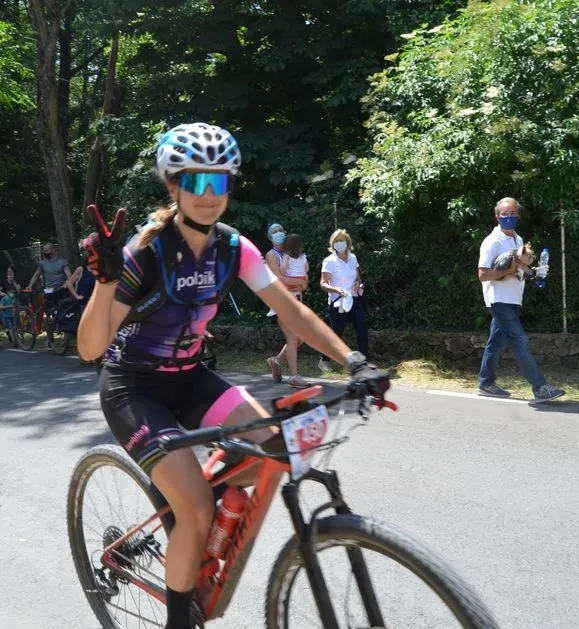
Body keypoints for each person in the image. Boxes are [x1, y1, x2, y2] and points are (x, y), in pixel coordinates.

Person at [76, 121, 391, 629]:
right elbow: (90, 347)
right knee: (196, 510)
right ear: (174, 185)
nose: (209, 194)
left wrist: (354, 361)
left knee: (277, 450)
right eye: (197, 181)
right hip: (133, 388)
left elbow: (292, 312)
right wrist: (105, 281)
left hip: (190, 378)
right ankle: (182, 606)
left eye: (219, 182)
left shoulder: (232, 247)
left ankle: (192, 510)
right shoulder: (146, 252)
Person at [476, 197, 564, 402]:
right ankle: (540, 388)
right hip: (499, 299)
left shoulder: (518, 240)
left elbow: (520, 270)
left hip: (514, 299)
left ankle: (486, 383)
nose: (509, 217)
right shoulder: (492, 241)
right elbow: (483, 275)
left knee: (495, 343)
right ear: (497, 216)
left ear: (518, 215)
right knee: (519, 341)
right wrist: (509, 270)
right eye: (505, 214)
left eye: (513, 213)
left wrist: (536, 272)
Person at [262, 223, 308, 384]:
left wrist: (300, 283)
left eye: (280, 230)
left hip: (296, 300)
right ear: (270, 237)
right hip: (280, 300)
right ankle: (294, 376)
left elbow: (305, 278)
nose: (278, 233)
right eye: (274, 232)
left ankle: (276, 361)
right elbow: (279, 280)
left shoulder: (293, 253)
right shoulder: (271, 255)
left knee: (300, 338)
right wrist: (299, 282)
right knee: (293, 337)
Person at [318, 228, 369, 372]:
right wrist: (336, 290)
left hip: (354, 299)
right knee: (337, 333)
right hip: (338, 302)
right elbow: (323, 284)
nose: (339, 243)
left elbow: (358, 278)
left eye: (342, 240)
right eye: (336, 241)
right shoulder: (329, 261)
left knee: (362, 329)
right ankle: (324, 360)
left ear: (347, 242)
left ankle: (363, 362)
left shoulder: (353, 258)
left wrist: (358, 283)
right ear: (332, 244)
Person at [27, 242, 70, 346]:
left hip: (61, 290)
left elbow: (69, 275)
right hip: (48, 291)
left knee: (64, 313)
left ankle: (66, 339)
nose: (45, 252)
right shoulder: (43, 263)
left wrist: (67, 283)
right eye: (44, 251)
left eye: (47, 250)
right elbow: (37, 275)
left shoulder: (63, 262)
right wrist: (30, 285)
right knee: (48, 314)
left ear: (53, 250)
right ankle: (50, 338)